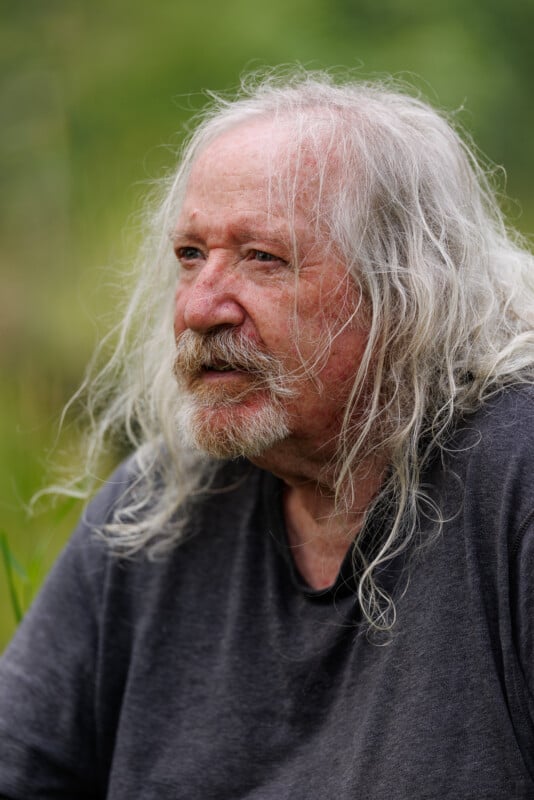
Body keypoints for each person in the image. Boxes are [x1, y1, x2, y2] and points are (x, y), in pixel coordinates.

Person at [1, 70, 534, 799]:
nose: (199, 307)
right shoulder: (163, 500)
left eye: (262, 257)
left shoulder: (516, 470)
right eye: (191, 255)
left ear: (406, 287)